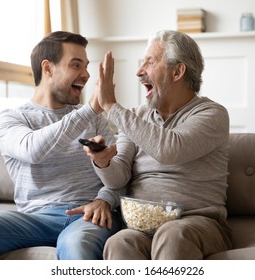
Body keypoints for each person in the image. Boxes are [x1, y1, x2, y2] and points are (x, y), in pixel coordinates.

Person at [0, 31, 124, 260]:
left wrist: (104, 200)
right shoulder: (12, 119)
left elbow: (121, 173)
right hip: (36, 218)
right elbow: (32, 150)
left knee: (76, 244)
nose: (86, 74)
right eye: (76, 65)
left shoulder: (95, 120)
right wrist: (90, 108)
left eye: (86, 66)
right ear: (48, 68)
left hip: (88, 215)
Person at [86, 30, 233, 259]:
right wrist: (102, 161)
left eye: (150, 62)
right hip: (143, 225)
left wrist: (111, 106)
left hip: (197, 223)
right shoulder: (137, 117)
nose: (138, 71)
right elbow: (118, 178)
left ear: (177, 71)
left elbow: (170, 149)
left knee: (172, 233)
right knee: (119, 242)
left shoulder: (212, 114)